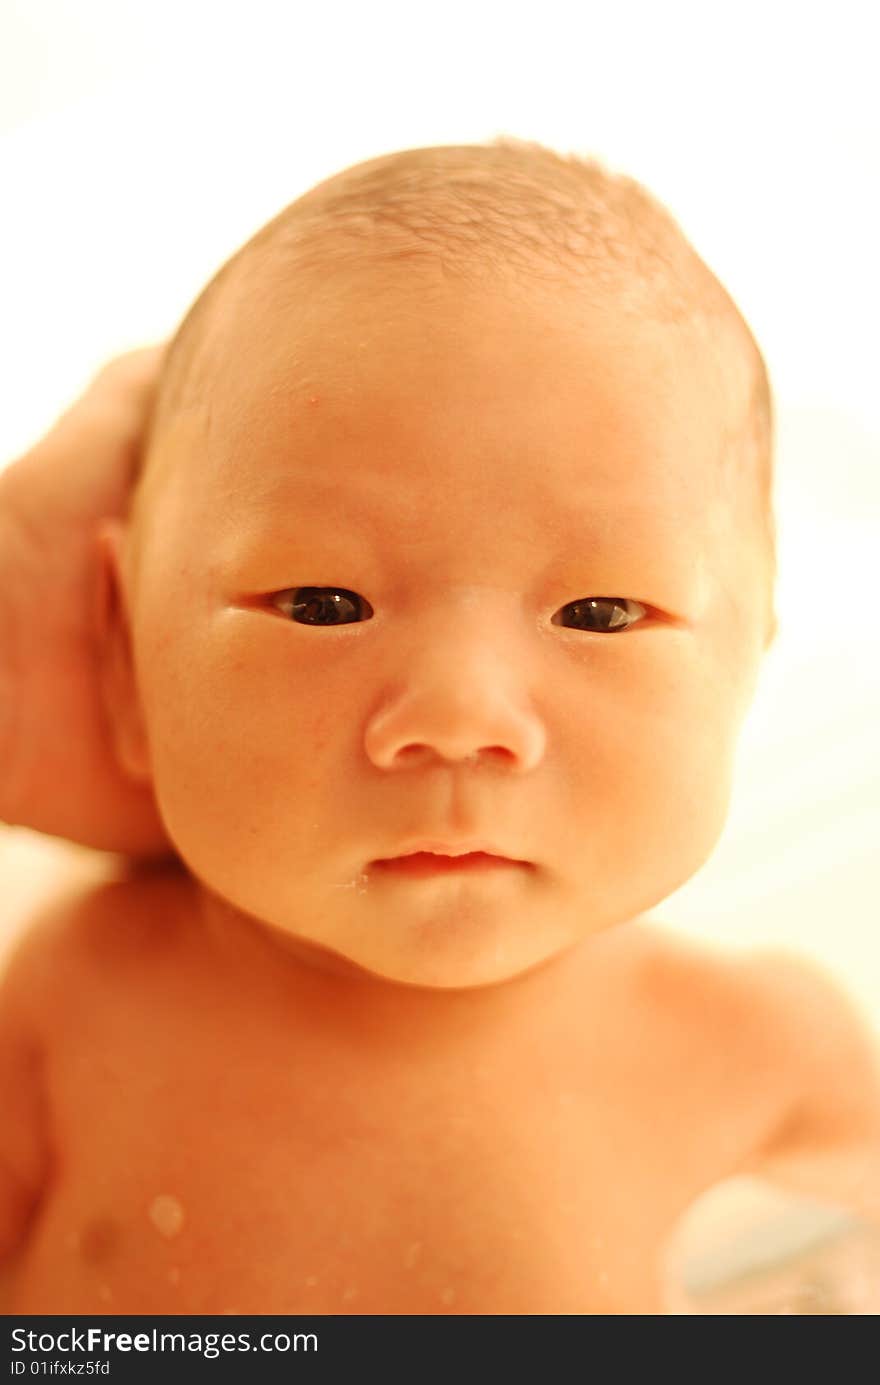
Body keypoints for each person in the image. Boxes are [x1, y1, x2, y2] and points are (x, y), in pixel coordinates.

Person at [1, 140, 878, 1314]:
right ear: (121, 652)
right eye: (322, 604)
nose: (460, 719)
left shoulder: (770, 1055)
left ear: (750, 646)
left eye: (601, 611)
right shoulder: (73, 995)